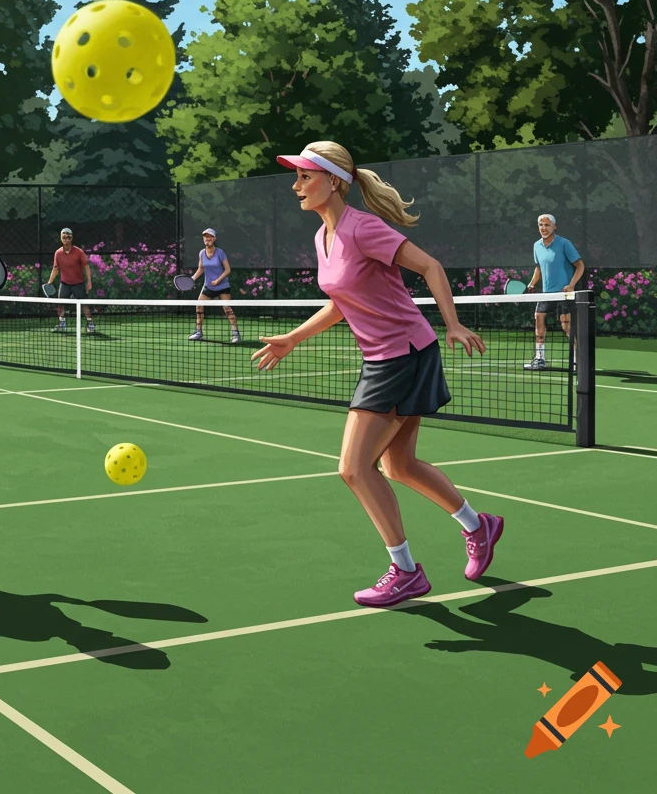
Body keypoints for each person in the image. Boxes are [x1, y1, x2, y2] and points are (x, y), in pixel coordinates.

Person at [253, 142, 501, 608]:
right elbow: (339, 303)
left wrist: (452, 323)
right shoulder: (323, 237)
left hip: (404, 354)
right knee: (399, 466)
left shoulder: (364, 228)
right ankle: (478, 525)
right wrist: (292, 338)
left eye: (306, 176)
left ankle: (405, 572)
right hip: (386, 357)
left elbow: (430, 266)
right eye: (298, 177)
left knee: (353, 468)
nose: (296, 186)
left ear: (333, 181)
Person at [524, 213, 584, 371]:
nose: (543, 228)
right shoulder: (537, 246)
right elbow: (539, 268)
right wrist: (532, 283)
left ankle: (578, 360)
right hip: (546, 293)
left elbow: (580, 266)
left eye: (547, 225)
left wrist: (571, 285)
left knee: (567, 327)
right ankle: (540, 358)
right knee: (538, 318)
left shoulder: (564, 244)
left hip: (564, 293)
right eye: (540, 225)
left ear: (554, 227)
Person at [187, 227, 241, 343]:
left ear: (214, 238)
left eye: (210, 236)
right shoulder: (201, 253)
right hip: (209, 286)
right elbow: (201, 268)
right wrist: (192, 279)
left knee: (227, 309)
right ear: (203, 239)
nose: (208, 239)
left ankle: (235, 334)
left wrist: (218, 280)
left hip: (222, 286)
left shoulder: (220, 252)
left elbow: (227, 270)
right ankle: (198, 332)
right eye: (206, 237)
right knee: (199, 306)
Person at [47, 227, 95, 334]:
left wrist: (89, 282)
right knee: (60, 305)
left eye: (68, 236)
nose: (65, 238)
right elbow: (55, 269)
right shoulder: (58, 253)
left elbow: (86, 267)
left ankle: (90, 324)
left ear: (71, 238)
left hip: (79, 284)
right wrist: (50, 282)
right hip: (65, 284)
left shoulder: (79, 252)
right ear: (61, 238)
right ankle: (62, 324)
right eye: (63, 236)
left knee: (85, 305)